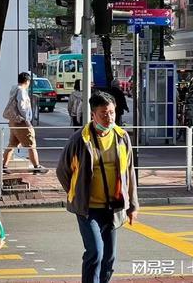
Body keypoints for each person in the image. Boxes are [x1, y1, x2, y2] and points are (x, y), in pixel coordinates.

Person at [56, 91, 139, 283]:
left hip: (113, 206)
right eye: (103, 113)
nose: (109, 117)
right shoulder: (79, 139)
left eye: (111, 112)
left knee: (109, 258)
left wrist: (133, 205)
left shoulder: (122, 137)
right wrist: (76, 192)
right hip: (88, 208)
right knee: (95, 252)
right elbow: (62, 170)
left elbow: (129, 172)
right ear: (93, 115)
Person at [2, 72, 48, 174]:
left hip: (13, 121)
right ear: (27, 81)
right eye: (29, 81)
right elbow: (22, 107)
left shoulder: (14, 89)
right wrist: (27, 120)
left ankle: (4, 166)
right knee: (31, 145)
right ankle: (37, 167)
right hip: (21, 122)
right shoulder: (21, 91)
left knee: (12, 144)